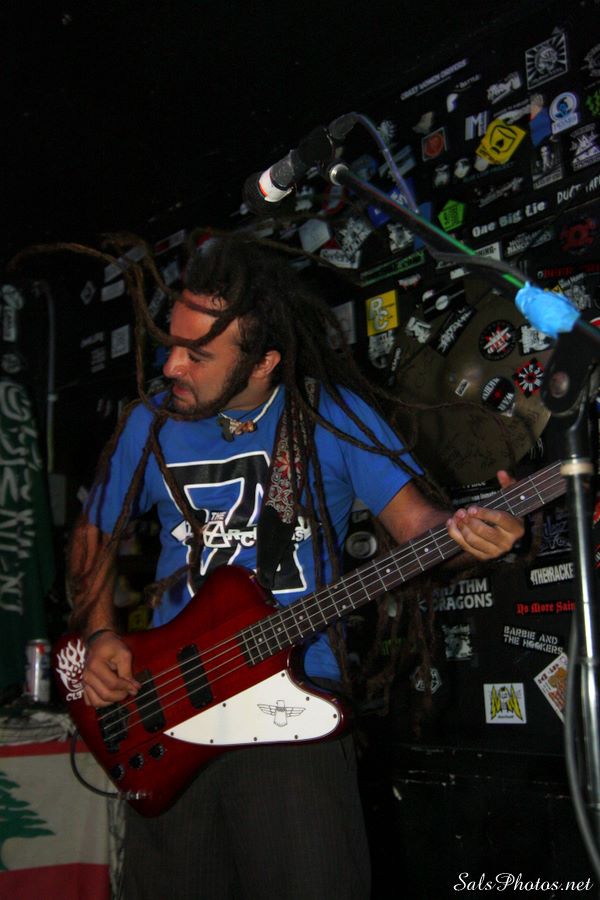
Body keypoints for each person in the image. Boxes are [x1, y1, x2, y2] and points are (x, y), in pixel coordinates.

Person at [70, 234, 523, 899]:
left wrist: (467, 536)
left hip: (292, 706)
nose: (171, 366)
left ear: (264, 363)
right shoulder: (150, 422)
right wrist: (101, 632)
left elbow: (418, 526)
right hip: (166, 706)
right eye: (172, 344)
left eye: (198, 355)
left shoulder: (327, 413)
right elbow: (94, 533)